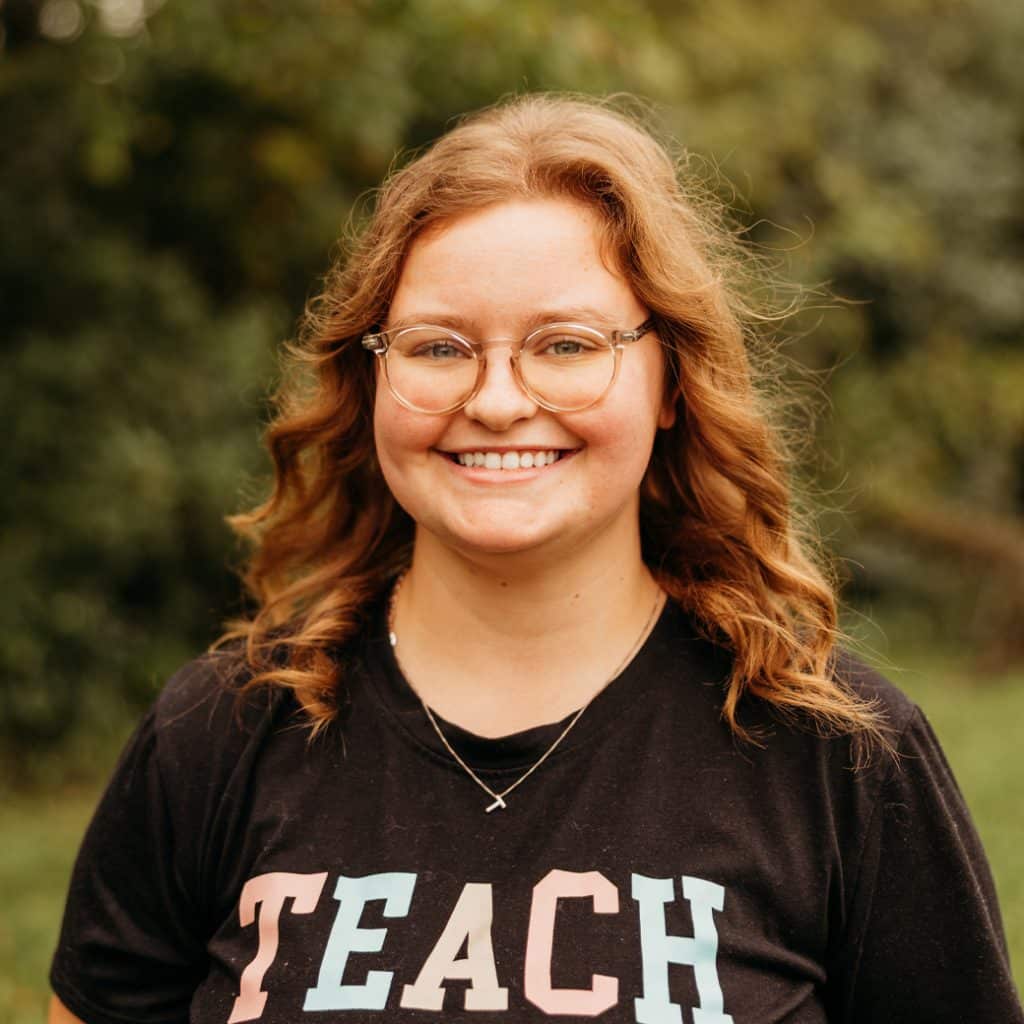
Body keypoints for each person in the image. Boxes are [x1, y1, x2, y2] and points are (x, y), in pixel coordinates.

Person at [49, 94, 1022, 1024]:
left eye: (566, 344)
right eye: (438, 347)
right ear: (370, 377)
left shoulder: (838, 755)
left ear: (672, 383)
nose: (498, 401)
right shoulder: (218, 734)